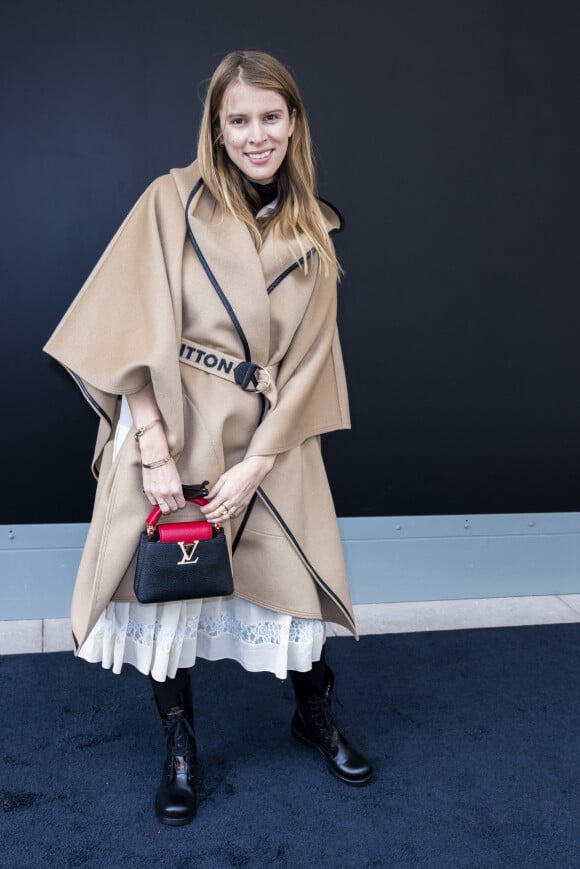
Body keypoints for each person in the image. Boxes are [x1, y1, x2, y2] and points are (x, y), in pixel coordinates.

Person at [44, 49, 372, 826]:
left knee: (293, 591)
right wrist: (152, 449)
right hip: (174, 421)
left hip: (270, 435)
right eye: (238, 121)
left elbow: (316, 358)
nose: (255, 134)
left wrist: (259, 464)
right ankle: (181, 746)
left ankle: (312, 714)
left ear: (293, 123)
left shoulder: (317, 227)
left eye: (270, 117)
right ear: (216, 129)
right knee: (169, 595)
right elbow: (117, 324)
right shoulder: (170, 202)